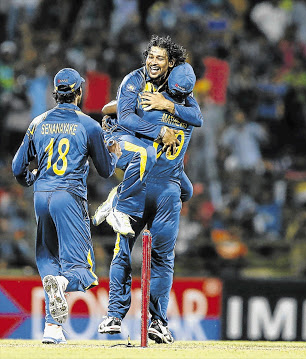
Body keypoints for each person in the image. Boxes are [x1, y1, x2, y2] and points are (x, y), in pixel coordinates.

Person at [11, 68, 121, 344]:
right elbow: (106, 171)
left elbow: (17, 168)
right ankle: (60, 284)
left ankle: (52, 328)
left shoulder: (38, 122)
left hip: (41, 196)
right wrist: (115, 154)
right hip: (69, 197)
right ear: (79, 93)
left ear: (55, 94)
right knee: (81, 270)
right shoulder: (89, 125)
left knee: (49, 260)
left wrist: (32, 178)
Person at [98, 62, 202, 344]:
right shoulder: (191, 116)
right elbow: (186, 185)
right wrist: (184, 193)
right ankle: (158, 323)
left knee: (122, 251)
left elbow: (114, 110)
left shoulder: (150, 102)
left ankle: (114, 316)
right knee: (163, 261)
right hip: (169, 194)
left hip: (139, 189)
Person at [91, 35, 197, 237]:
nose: (153, 62)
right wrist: (158, 127)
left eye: (160, 58)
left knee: (186, 191)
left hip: (150, 146)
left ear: (171, 64)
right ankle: (121, 208)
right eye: (151, 56)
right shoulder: (135, 80)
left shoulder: (175, 87)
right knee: (146, 155)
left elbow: (197, 117)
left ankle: (116, 197)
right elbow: (110, 110)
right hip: (121, 137)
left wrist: (168, 105)